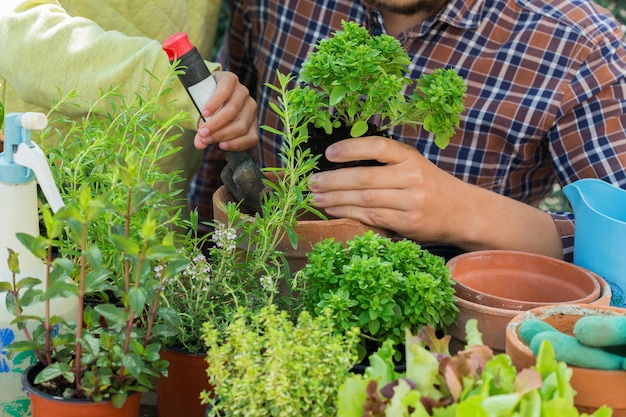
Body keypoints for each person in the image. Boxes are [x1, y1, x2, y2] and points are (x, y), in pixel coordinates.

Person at [191, 0, 626, 262]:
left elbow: (618, 243)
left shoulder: (579, 44)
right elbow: (218, 158)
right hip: (267, 288)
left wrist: (462, 211)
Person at [0, 0, 258, 204]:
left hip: (160, 204)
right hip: (54, 198)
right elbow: (21, 38)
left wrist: (209, 95)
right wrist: (182, 87)